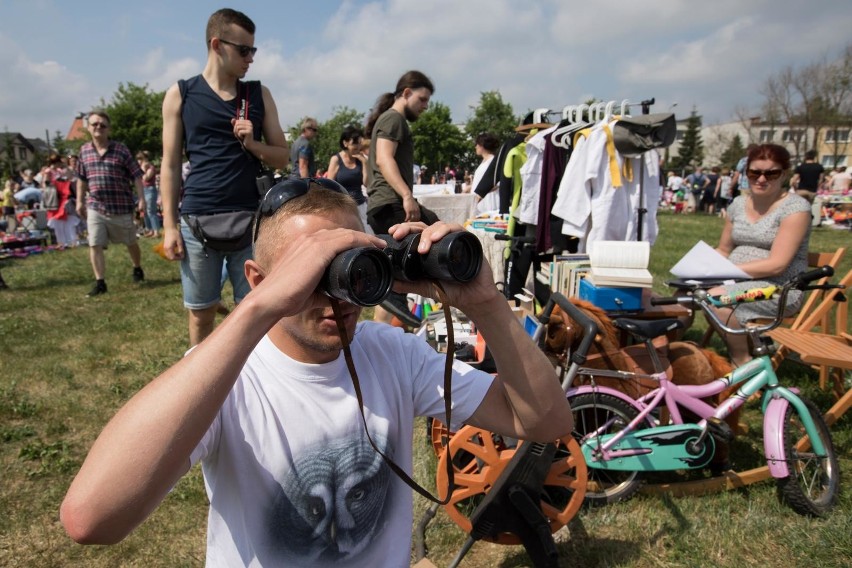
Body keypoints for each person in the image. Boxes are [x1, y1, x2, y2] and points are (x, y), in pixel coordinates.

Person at [60, 180, 574, 566]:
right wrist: (256, 311)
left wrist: (485, 304)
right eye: (312, 277)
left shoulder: (391, 352)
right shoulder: (226, 376)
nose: (339, 299)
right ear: (260, 281)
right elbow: (91, 518)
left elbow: (547, 422)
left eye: (352, 271)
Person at [160, 8, 289, 346]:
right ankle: (201, 389)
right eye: (244, 50)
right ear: (217, 44)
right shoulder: (181, 94)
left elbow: (283, 155)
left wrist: (253, 143)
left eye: (253, 50)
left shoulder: (259, 95)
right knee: (201, 313)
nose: (251, 59)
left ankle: (255, 384)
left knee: (254, 310)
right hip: (197, 219)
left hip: (251, 219)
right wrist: (170, 226)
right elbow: (170, 164)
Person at [708, 143, 811, 366]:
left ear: (784, 175)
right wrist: (701, 268)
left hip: (778, 288)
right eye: (755, 172)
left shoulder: (795, 209)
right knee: (683, 292)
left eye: (771, 173)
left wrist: (727, 271)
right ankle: (667, 355)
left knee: (716, 299)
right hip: (733, 280)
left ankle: (742, 362)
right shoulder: (738, 204)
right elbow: (724, 249)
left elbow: (777, 264)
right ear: (747, 174)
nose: (761, 179)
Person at [365, 70, 439, 327]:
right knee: (437, 234)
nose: (425, 106)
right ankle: (393, 291)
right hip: (390, 203)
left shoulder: (390, 120)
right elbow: (384, 159)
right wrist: (407, 196)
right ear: (406, 93)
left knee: (404, 258)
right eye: (422, 99)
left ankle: (383, 327)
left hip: (383, 202)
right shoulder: (394, 119)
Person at [76, 109, 146, 297]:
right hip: (96, 206)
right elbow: (81, 179)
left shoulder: (121, 150)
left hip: (121, 207)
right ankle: (100, 282)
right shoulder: (84, 151)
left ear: (109, 129)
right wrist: (79, 201)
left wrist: (141, 199)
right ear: (88, 128)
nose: (98, 127)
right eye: (94, 124)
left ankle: (137, 267)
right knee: (95, 243)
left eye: (102, 125)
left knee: (131, 242)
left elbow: (137, 176)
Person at [327, 125, 370, 232]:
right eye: (354, 143)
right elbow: (328, 185)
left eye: (359, 142)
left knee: (368, 235)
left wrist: (365, 163)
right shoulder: (336, 159)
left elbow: (367, 183)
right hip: (342, 207)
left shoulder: (361, 159)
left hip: (360, 205)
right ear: (345, 143)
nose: (358, 146)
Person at [471, 132, 500, 214]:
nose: (475, 147)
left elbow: (496, 184)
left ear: (482, 145)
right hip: (480, 202)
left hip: (488, 202)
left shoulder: (492, 162)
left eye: (477, 144)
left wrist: (479, 195)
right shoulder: (484, 162)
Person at [136, 151, 161, 237]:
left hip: (150, 190)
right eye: (138, 159)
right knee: (145, 211)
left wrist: (142, 169)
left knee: (151, 211)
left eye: (140, 159)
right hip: (143, 190)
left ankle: (156, 232)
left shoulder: (150, 167)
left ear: (145, 159)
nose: (138, 161)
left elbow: (146, 178)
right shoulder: (140, 168)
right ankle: (150, 230)